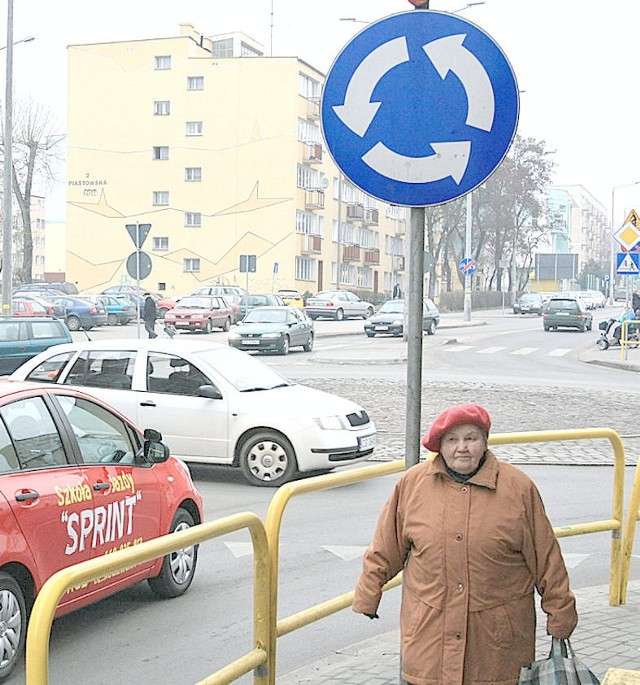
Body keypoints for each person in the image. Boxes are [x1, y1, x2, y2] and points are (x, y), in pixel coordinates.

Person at [353, 403, 577, 685]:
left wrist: (561, 615)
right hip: (429, 637)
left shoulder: (518, 488)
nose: (462, 448)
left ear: (484, 442)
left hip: (497, 644)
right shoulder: (412, 485)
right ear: (439, 446)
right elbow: (386, 547)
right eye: (452, 440)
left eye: (471, 438)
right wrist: (368, 593)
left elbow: (547, 559)